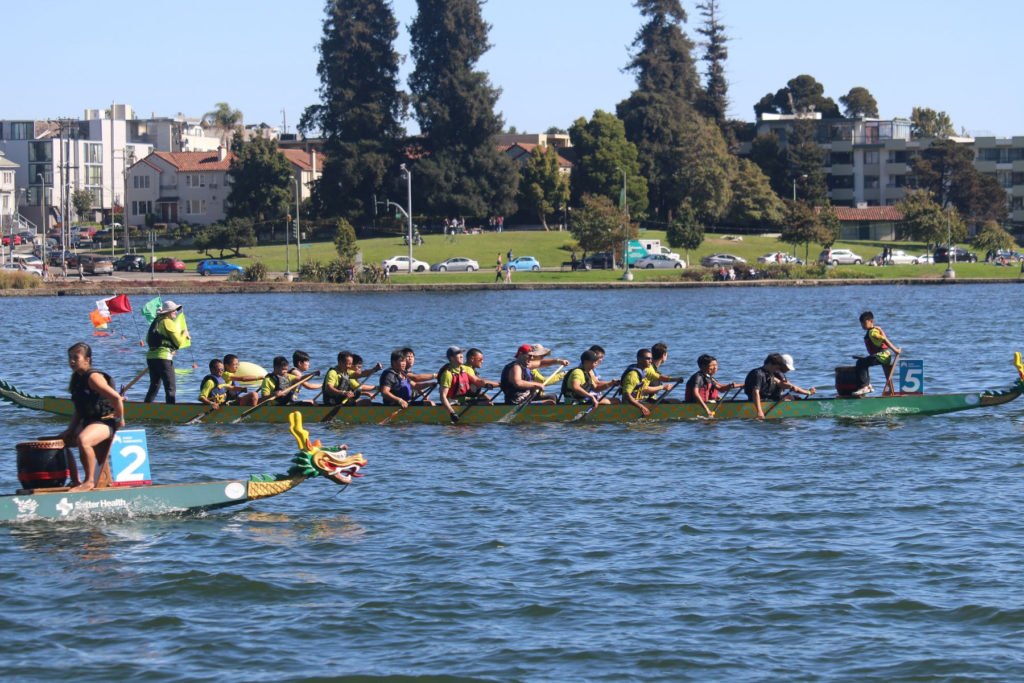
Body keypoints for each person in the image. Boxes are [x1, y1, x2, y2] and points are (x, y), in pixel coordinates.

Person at [58, 342, 124, 492]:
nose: (71, 361)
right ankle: (75, 480)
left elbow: (117, 399)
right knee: (60, 442)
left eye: (76, 358)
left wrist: (120, 420)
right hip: (88, 422)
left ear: (87, 359)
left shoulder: (93, 377)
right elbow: (79, 410)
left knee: (83, 440)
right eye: (69, 358)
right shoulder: (76, 379)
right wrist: (70, 430)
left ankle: (89, 482)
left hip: (106, 422)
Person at [144, 300, 190, 403]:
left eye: (176, 310)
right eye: (174, 310)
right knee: (170, 387)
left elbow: (148, 340)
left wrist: (168, 347)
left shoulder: (155, 322)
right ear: (168, 312)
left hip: (151, 357)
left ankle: (146, 407)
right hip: (163, 358)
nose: (176, 312)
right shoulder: (168, 322)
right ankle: (171, 411)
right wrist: (184, 334)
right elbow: (178, 342)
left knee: (154, 385)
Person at [438, 346, 500, 417]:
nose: (462, 356)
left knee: (488, 403)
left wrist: (490, 385)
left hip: (464, 401)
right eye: (458, 354)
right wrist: (452, 413)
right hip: (452, 403)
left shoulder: (465, 369)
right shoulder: (447, 374)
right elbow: (442, 396)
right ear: (451, 358)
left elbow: (477, 381)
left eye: (462, 353)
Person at [854, 311, 901, 396]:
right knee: (864, 362)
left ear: (871, 321)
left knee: (860, 363)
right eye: (861, 324)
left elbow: (884, 340)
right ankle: (890, 391)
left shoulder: (873, 332)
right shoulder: (873, 330)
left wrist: (895, 351)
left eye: (864, 323)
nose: (863, 326)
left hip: (882, 356)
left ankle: (865, 386)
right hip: (885, 356)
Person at [620, 348, 678, 417]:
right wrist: (641, 407)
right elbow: (626, 395)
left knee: (675, 402)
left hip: (642, 401)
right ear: (639, 359)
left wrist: (676, 379)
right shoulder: (633, 375)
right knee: (672, 403)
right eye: (648, 358)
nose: (650, 361)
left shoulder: (644, 371)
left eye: (651, 358)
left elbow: (658, 377)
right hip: (631, 405)